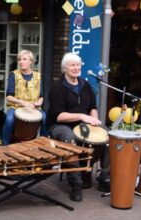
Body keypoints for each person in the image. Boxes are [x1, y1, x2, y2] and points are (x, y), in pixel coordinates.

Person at [46, 52, 110, 202]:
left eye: (77, 65)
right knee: (70, 138)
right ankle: (76, 183)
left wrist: (94, 120)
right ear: (64, 68)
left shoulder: (86, 85)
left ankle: (103, 177)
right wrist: (82, 116)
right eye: (72, 65)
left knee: (106, 137)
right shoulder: (57, 87)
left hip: (83, 124)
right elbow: (58, 116)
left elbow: (93, 107)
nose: (76, 68)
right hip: (61, 125)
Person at [2, 50, 45, 145]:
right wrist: (23, 103)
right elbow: (8, 97)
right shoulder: (13, 74)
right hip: (15, 107)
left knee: (45, 118)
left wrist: (39, 102)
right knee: (9, 120)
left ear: (31, 62)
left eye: (24, 59)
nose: (21, 62)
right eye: (19, 59)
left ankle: (43, 144)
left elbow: (41, 96)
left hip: (33, 108)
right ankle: (4, 145)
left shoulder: (38, 76)